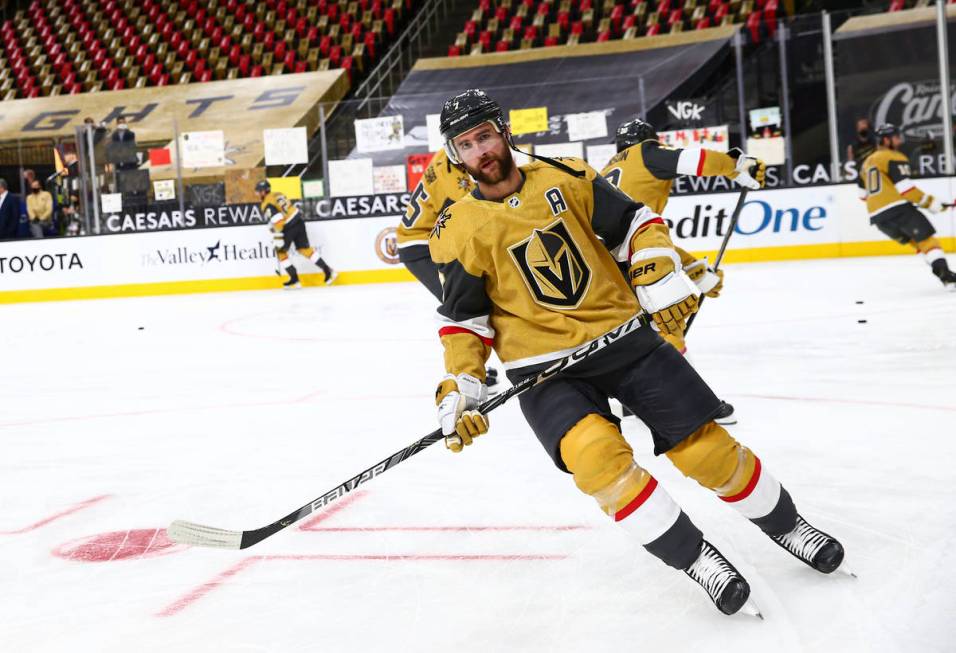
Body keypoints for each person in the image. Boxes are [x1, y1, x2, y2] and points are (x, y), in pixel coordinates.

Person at [428, 89, 846, 616]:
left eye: (484, 136)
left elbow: (635, 223)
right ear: (455, 154)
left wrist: (654, 264)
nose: (480, 151)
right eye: (466, 144)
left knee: (706, 451)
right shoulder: (457, 228)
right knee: (596, 461)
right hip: (544, 372)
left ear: (504, 132)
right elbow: (464, 320)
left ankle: (791, 528)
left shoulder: (568, 176)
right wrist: (460, 385)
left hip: (624, 338)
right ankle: (698, 560)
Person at [601, 118, 767, 425]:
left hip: (603, 265)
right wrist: (736, 165)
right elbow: (696, 160)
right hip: (631, 263)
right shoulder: (646, 153)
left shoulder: (607, 170)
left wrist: (697, 272)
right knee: (668, 323)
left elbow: (641, 239)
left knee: (638, 334)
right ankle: (697, 407)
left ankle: (633, 401)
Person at [397, 149, 499, 390]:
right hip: (421, 247)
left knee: (474, 304)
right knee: (463, 307)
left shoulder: (449, 155)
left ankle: (473, 368)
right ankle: (464, 374)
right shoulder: (452, 176)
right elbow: (477, 213)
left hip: (428, 242)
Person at [859, 123, 955, 289]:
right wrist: (933, 204)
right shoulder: (894, 157)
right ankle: (947, 277)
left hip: (878, 218)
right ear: (886, 139)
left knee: (919, 244)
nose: (899, 140)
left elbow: (862, 196)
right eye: (896, 137)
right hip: (898, 210)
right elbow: (907, 189)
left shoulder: (866, 163)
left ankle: (944, 274)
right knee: (928, 242)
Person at [255, 180, 336, 288]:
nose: (257, 194)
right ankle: (329, 271)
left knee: (281, 252)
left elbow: (279, 220)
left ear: (264, 192)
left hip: (289, 226)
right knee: (304, 249)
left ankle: (294, 278)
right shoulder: (278, 194)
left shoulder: (266, 203)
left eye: (259, 192)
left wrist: (277, 236)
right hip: (298, 220)